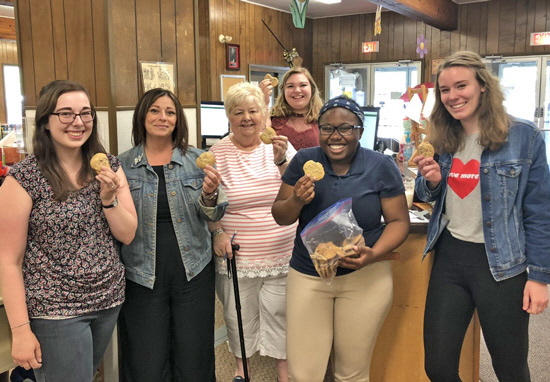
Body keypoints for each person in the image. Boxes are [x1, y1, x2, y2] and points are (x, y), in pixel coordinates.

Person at [413, 51, 550, 382]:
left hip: (501, 264)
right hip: (450, 258)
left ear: (483, 86)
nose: (453, 96)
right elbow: (425, 196)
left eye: (461, 86)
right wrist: (432, 182)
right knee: (439, 366)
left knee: (510, 368)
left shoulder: (523, 137)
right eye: (445, 90)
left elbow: (540, 212)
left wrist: (540, 277)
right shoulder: (442, 138)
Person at [0, 79, 138, 382]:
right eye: (66, 113)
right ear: (46, 122)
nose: (78, 122)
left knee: (82, 375)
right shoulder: (24, 177)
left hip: (107, 298)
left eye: (85, 113)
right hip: (54, 308)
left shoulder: (109, 168)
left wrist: (108, 200)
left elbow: (127, 234)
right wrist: (20, 331)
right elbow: (8, 260)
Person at [272, 95, 410, 382]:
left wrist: (373, 253)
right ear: (318, 129)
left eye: (346, 128)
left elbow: (398, 222)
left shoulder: (380, 166)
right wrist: (296, 199)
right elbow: (281, 215)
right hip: (309, 277)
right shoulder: (304, 160)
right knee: (304, 374)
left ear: (359, 130)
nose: (336, 136)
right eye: (327, 128)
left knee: (352, 374)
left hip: (366, 278)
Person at [117, 88, 227, 382]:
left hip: (193, 269)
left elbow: (215, 215)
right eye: (154, 110)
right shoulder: (122, 166)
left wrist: (209, 195)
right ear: (142, 115)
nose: (162, 117)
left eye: (170, 112)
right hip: (141, 271)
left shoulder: (199, 160)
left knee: (194, 352)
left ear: (178, 120)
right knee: (145, 355)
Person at [208, 82, 297, 382]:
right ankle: (241, 368)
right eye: (238, 112)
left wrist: (282, 161)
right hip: (237, 253)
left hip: (282, 249)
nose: (246, 118)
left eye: (253, 110)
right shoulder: (216, 152)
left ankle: (283, 370)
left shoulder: (280, 147)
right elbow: (207, 202)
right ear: (229, 117)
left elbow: (298, 193)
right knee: (237, 314)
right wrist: (217, 232)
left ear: (264, 114)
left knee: (280, 313)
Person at [259, 66, 324, 150]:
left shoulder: (324, 119)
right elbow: (258, 141)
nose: (297, 90)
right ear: (283, 91)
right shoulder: (272, 116)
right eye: (290, 86)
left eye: (303, 85)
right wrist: (263, 103)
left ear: (312, 89)